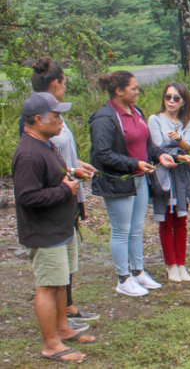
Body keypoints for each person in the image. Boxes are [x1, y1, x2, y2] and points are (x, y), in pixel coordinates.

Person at [15, 92, 97, 363]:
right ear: (38, 120)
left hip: (60, 227)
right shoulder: (28, 153)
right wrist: (65, 188)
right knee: (47, 286)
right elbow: (27, 197)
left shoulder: (44, 144)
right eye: (57, 116)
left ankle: (63, 328)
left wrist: (72, 172)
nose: (62, 121)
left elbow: (50, 179)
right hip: (44, 231)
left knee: (61, 281)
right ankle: (51, 344)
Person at [89, 71, 183, 296]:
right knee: (121, 230)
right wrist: (134, 163)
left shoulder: (136, 112)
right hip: (119, 182)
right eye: (133, 88)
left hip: (140, 179)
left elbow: (147, 144)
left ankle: (138, 271)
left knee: (137, 229)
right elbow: (102, 154)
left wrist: (159, 155)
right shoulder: (105, 118)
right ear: (119, 91)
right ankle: (123, 278)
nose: (137, 91)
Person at [29, 58, 100, 330]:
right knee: (55, 262)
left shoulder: (55, 112)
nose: (65, 87)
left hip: (68, 190)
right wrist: (68, 174)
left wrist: (77, 164)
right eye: (65, 82)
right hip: (57, 194)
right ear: (56, 83)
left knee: (68, 255)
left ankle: (67, 308)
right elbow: (43, 159)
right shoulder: (42, 113)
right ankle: (61, 318)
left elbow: (58, 152)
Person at [148, 82, 190, 283]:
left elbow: (188, 147)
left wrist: (178, 141)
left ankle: (181, 263)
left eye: (176, 98)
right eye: (168, 97)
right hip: (163, 173)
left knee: (181, 221)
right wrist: (179, 153)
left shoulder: (187, 123)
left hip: (181, 177)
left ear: (184, 102)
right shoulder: (155, 119)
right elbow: (156, 147)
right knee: (165, 221)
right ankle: (170, 265)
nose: (171, 101)